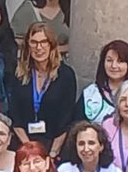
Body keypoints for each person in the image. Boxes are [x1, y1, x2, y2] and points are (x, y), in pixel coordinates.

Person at [9, 21, 77, 155]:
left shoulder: (65, 75)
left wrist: (52, 154)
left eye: (43, 42)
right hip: (24, 143)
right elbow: (15, 116)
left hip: (55, 145)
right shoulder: (18, 74)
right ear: (28, 45)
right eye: (34, 42)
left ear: (51, 45)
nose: (38, 47)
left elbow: (66, 119)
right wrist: (29, 149)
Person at [79, 40, 128, 124]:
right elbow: (76, 126)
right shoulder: (90, 94)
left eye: (120, 61)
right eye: (109, 60)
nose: (114, 66)